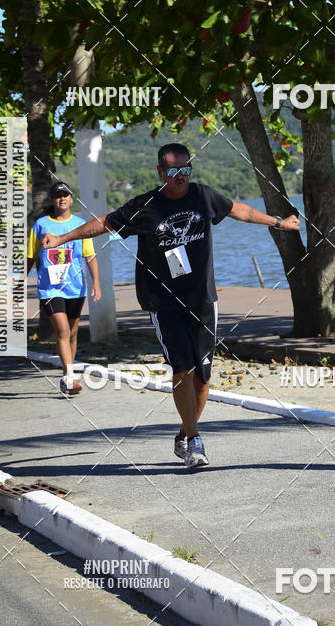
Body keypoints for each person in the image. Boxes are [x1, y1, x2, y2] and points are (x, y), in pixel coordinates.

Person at [40, 144, 300, 467]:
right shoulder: (147, 205)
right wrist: (62, 240)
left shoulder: (203, 196)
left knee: (203, 376)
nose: (181, 177)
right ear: (161, 173)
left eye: (186, 170)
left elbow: (240, 211)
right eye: (174, 171)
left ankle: (185, 432)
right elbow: (104, 223)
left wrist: (279, 222)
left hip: (202, 299)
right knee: (182, 368)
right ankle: (194, 441)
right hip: (163, 301)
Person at [27, 182, 101, 395]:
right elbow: (30, 257)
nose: (62, 199)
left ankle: (67, 374)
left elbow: (90, 256)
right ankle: (69, 377)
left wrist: (96, 282)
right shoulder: (41, 225)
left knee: (73, 332)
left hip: (75, 288)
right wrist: (19, 281)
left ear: (71, 199)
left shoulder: (80, 224)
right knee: (62, 330)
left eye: (65, 195)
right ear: (52, 200)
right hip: (50, 289)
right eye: (58, 196)